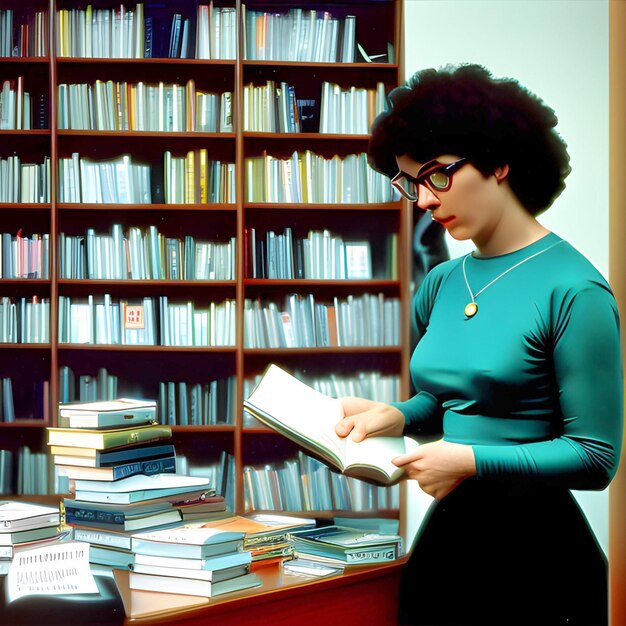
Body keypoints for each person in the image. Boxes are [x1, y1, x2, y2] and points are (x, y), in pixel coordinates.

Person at [335, 64, 623, 626]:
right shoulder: (441, 282)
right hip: (451, 540)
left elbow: (596, 456)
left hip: (539, 558)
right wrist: (393, 414)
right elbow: (444, 403)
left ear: (499, 161)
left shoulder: (575, 289)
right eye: (410, 182)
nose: (422, 199)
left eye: (438, 175)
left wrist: (467, 461)